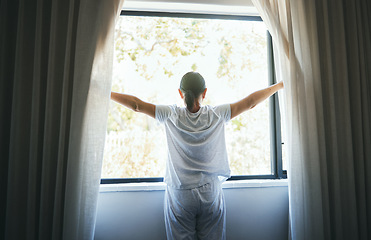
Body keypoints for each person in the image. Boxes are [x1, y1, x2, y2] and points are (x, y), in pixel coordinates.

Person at [111, 72, 284, 240]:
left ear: (180, 93)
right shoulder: (217, 114)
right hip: (210, 193)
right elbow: (250, 102)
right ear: (205, 92)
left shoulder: (170, 114)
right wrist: (280, 85)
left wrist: (107, 93)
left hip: (180, 194)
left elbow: (136, 105)